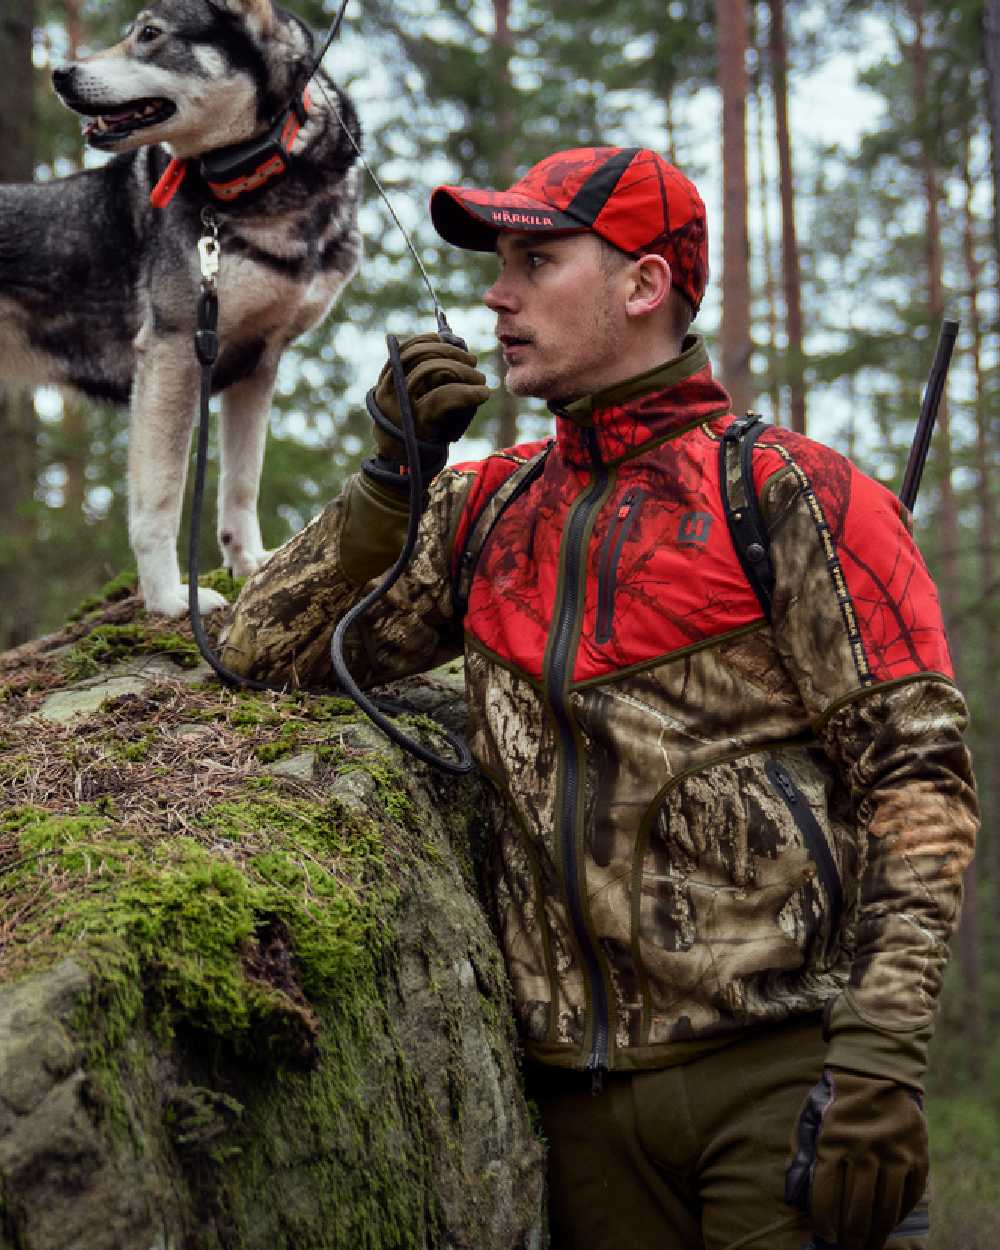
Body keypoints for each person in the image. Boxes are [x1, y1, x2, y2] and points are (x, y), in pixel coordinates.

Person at [219, 146, 979, 1250]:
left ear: (644, 284)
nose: (498, 293)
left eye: (536, 261)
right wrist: (391, 478)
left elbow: (921, 787)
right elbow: (262, 650)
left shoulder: (795, 496)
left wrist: (878, 1060)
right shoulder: (487, 508)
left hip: (782, 1089)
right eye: (498, 263)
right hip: (574, 1118)